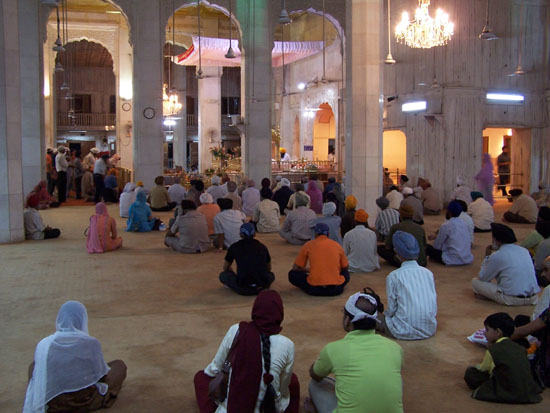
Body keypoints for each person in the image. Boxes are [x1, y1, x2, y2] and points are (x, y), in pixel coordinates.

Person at [194, 290, 300, 413]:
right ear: (280, 316)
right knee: (293, 381)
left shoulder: (237, 330)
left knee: (201, 378)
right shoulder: (287, 345)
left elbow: (213, 370)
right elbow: (282, 389)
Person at [306, 291, 403, 413]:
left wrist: (322, 363)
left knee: (315, 384)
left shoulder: (333, 349)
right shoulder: (395, 348)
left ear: (347, 320)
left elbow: (315, 374)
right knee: (392, 377)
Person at [23, 301, 127, 413]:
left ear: (59, 319)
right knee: (119, 366)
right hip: (85, 400)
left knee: (34, 366)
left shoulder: (44, 344)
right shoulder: (90, 343)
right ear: (83, 320)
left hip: (55, 402)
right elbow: (102, 377)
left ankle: (53, 397)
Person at [464, 312, 542, 404]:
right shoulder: (520, 347)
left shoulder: (493, 350)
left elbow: (484, 369)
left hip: (509, 390)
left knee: (471, 373)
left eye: (487, 330)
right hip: (528, 392)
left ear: (498, 332)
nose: (485, 333)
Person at [377, 231, 437, 340]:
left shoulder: (394, 276)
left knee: (374, 317)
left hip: (402, 331)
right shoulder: (428, 273)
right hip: (429, 330)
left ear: (396, 252)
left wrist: (384, 315)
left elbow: (392, 309)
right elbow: (433, 303)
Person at [472, 223, 540, 306]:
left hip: (511, 299)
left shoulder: (498, 255)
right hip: (533, 298)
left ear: (497, 240)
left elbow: (483, 277)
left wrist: (487, 257)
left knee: (475, 282)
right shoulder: (524, 251)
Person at [288, 223, 350, 296]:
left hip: (314, 289)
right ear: (328, 234)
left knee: (292, 274)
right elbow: (345, 267)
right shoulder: (337, 245)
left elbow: (296, 268)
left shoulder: (308, 245)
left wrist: (308, 270)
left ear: (315, 234)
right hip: (335, 289)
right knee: (346, 274)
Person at [218, 223, 275, 295]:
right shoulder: (262, 247)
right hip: (262, 286)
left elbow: (225, 268)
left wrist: (230, 271)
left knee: (223, 275)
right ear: (254, 234)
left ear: (240, 234)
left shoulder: (234, 247)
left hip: (243, 287)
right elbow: (269, 268)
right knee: (271, 275)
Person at [426, 201, 474, 265]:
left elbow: (437, 245)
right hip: (466, 258)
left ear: (449, 212)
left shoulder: (446, 225)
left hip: (451, 258)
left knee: (427, 247)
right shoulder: (464, 224)